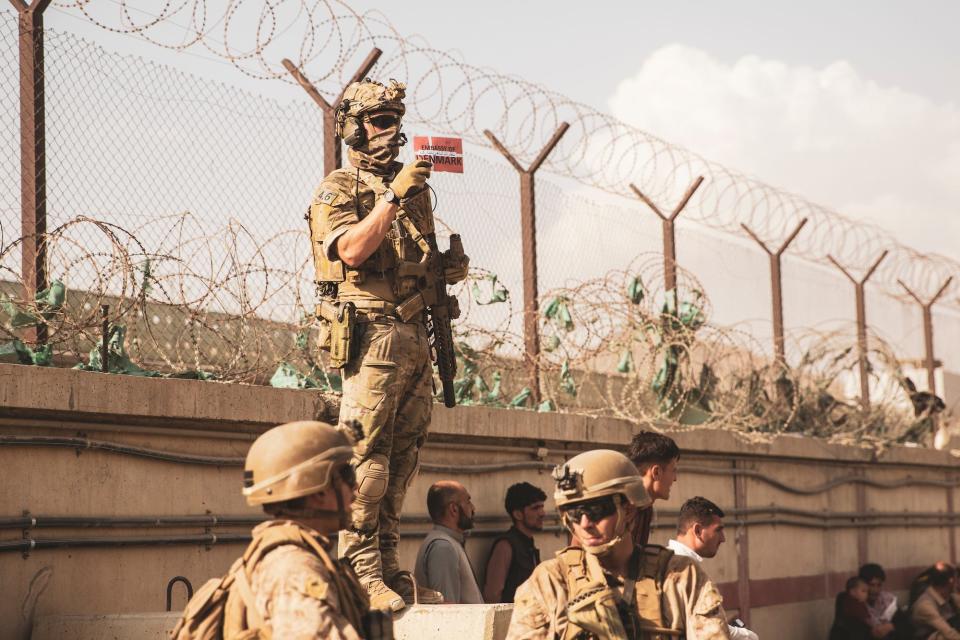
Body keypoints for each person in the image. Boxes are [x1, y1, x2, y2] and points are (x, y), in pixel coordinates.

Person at [308, 78, 469, 611]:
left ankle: (389, 568)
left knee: (403, 460)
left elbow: (413, 262)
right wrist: (393, 197)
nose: (391, 130)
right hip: (371, 334)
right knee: (366, 459)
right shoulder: (340, 187)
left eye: (395, 119)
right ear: (353, 127)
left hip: (415, 334)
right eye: (379, 120)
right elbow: (352, 250)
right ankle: (358, 571)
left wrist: (446, 267)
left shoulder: (415, 190)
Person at [171, 420, 384, 639]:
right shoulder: (294, 569)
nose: (355, 488)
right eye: (347, 476)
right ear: (319, 491)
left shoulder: (292, 557)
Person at [507, 449, 731, 639]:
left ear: (629, 510)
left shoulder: (680, 577)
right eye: (575, 514)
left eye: (597, 510)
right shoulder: (550, 581)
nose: (585, 523)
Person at [668, 497, 759, 640]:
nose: (723, 539)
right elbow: (709, 630)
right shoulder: (685, 570)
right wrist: (748, 636)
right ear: (698, 530)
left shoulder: (666, 561)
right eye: (718, 531)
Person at [414, 480, 484, 604]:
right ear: (454, 509)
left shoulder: (449, 542)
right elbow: (447, 611)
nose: (473, 508)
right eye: (468, 501)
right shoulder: (443, 547)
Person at [483, 482, 547, 603]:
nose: (542, 513)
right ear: (518, 514)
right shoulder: (505, 546)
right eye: (535, 508)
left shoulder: (528, 544)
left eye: (542, 507)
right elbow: (492, 595)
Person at [627, 430, 680, 546]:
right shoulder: (623, 509)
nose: (675, 479)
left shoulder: (646, 509)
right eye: (673, 471)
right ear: (656, 472)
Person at [911, 563, 960, 640]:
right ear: (950, 582)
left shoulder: (951, 597)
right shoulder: (925, 605)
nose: (958, 583)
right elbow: (948, 633)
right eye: (957, 579)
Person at [860, 563, 898, 628]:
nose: (875, 590)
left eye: (879, 585)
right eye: (871, 585)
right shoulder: (857, 604)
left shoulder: (887, 600)